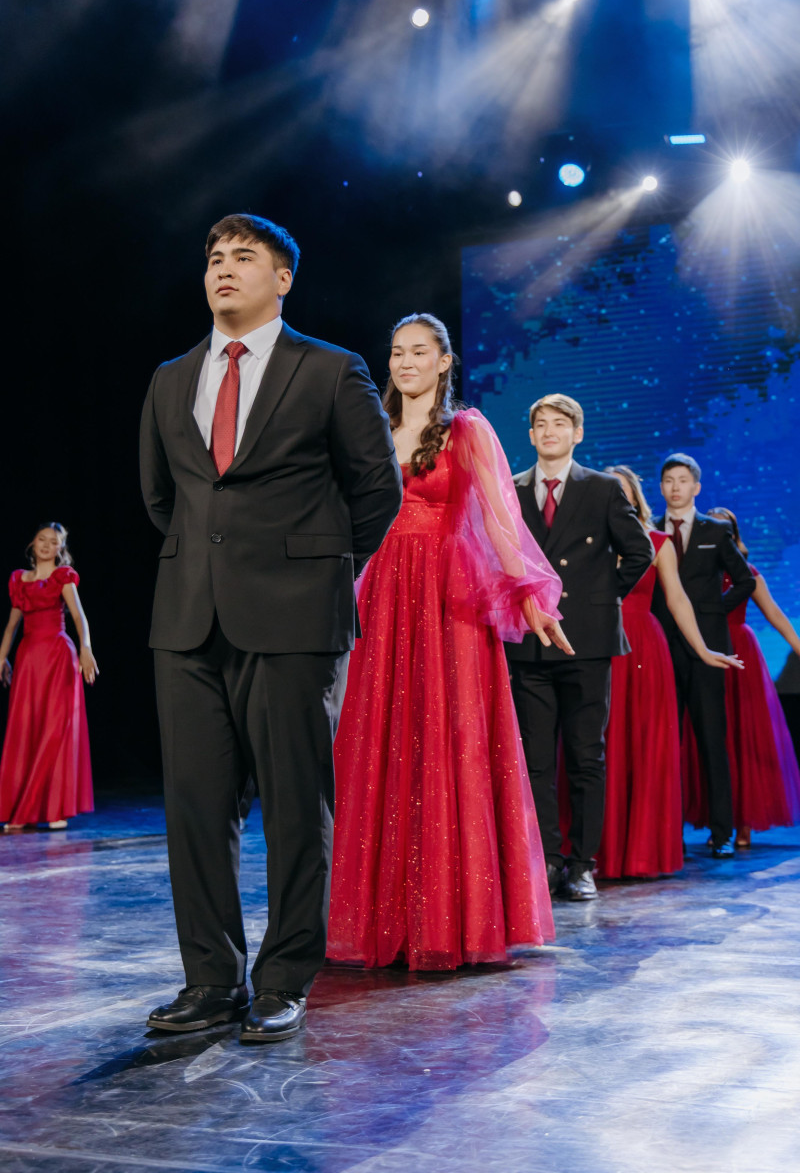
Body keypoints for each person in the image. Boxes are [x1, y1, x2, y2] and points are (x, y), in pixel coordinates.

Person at [139, 213, 402, 1042]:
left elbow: (378, 492)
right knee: (195, 808)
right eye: (214, 257)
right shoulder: (170, 378)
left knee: (295, 806)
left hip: (296, 620)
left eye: (244, 257)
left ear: (282, 279)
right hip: (187, 619)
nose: (224, 268)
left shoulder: (330, 370)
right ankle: (211, 979)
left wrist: (312, 570)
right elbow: (161, 498)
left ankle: (285, 976)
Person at [326, 314, 571, 971]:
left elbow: (500, 521)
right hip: (382, 597)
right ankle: (383, 918)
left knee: (450, 742)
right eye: (396, 351)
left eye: (419, 351)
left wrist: (530, 597)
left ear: (443, 362)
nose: (405, 362)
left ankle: (452, 918)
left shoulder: (467, 430)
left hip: (446, 599)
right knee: (381, 743)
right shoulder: (371, 429)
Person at [506, 396, 654, 901]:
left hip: (586, 643)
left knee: (586, 755)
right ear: (531, 435)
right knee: (536, 760)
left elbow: (640, 551)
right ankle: (547, 859)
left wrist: (599, 600)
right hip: (530, 642)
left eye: (560, 423)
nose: (550, 431)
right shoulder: (510, 488)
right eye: (541, 424)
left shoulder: (603, 487)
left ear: (578, 433)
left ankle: (582, 864)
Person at [578, 468, 741, 879]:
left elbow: (679, 601)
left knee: (644, 747)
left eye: (622, 492)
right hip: (597, 646)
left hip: (645, 652)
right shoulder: (586, 542)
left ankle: (641, 851)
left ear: (635, 499)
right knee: (593, 748)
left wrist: (703, 649)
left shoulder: (657, 543)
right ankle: (590, 852)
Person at [651, 455, 755, 858]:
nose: (675, 487)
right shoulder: (649, 531)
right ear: (661, 487)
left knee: (712, 739)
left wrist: (712, 612)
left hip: (709, 648)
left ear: (696, 487)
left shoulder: (715, 529)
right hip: (662, 645)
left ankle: (722, 832)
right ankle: (666, 834)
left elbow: (744, 581)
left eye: (683, 480)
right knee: (664, 742)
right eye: (669, 480)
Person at [681, 506, 800, 848]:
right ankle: (716, 820)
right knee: (708, 739)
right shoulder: (691, 571)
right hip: (704, 650)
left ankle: (744, 821)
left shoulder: (747, 573)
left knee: (741, 738)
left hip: (738, 655)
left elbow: (774, 613)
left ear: (733, 537)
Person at [0, 522, 97, 832]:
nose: (45, 545)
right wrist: (1, 656)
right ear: (32, 543)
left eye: (53, 541)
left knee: (56, 730)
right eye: (41, 539)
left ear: (60, 548)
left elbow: (79, 616)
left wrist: (85, 648)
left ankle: (56, 807)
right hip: (29, 661)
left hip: (58, 657)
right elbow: (12, 625)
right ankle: (24, 808)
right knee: (27, 729)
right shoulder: (20, 580)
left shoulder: (62, 577)